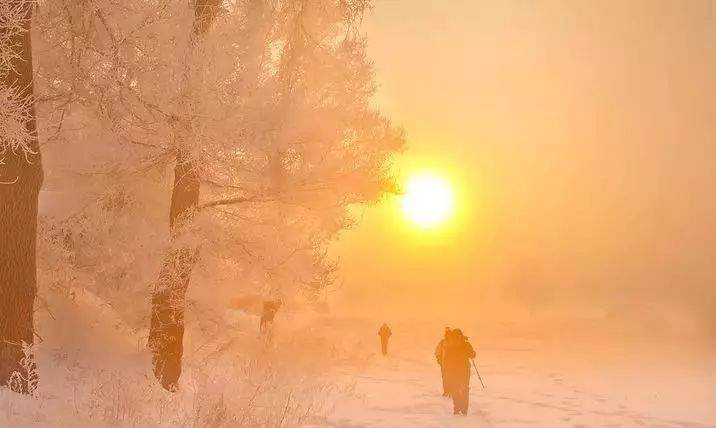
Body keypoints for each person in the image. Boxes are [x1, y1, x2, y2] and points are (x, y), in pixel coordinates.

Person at [442, 328, 476, 415]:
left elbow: (446, 359)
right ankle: (464, 408)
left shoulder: (449, 345)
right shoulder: (466, 344)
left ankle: (457, 408)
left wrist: (446, 369)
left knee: (455, 388)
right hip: (464, 369)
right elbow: (472, 355)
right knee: (465, 388)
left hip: (453, 370)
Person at [434, 327, 452, 396]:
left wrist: (439, 360)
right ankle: (451, 391)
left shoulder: (442, 342)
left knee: (445, 377)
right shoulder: (453, 343)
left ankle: (447, 391)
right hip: (452, 364)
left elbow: (437, 352)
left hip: (444, 363)